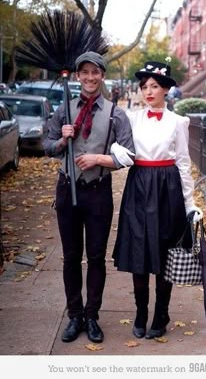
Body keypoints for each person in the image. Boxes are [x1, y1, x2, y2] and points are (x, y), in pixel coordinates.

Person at [43, 51, 135, 344]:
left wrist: (99, 158)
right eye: (85, 72)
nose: (90, 78)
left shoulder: (115, 113)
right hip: (66, 187)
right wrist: (62, 139)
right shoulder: (64, 110)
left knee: (96, 257)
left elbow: (129, 156)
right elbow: (46, 145)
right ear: (78, 76)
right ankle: (74, 316)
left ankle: (92, 315)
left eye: (96, 72)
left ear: (102, 76)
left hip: (98, 192)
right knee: (71, 257)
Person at [112, 60, 203, 340]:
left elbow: (184, 164)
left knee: (165, 254)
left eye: (154, 86)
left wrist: (190, 205)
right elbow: (118, 148)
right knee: (139, 252)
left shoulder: (178, 122)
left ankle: (161, 315)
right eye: (144, 87)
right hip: (139, 186)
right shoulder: (130, 118)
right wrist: (115, 149)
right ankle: (140, 312)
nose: (148, 91)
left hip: (168, 190)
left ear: (165, 89)